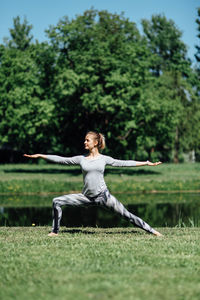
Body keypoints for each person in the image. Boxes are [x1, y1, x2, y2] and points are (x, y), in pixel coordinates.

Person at [24, 131, 163, 237]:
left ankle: (153, 231)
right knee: (56, 201)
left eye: (87, 140)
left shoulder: (104, 159)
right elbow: (61, 159)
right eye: (84, 140)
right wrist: (41, 155)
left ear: (95, 143)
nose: (84, 142)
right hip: (86, 197)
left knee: (127, 215)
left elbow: (124, 163)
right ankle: (55, 231)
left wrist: (146, 162)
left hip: (104, 197)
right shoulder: (81, 159)